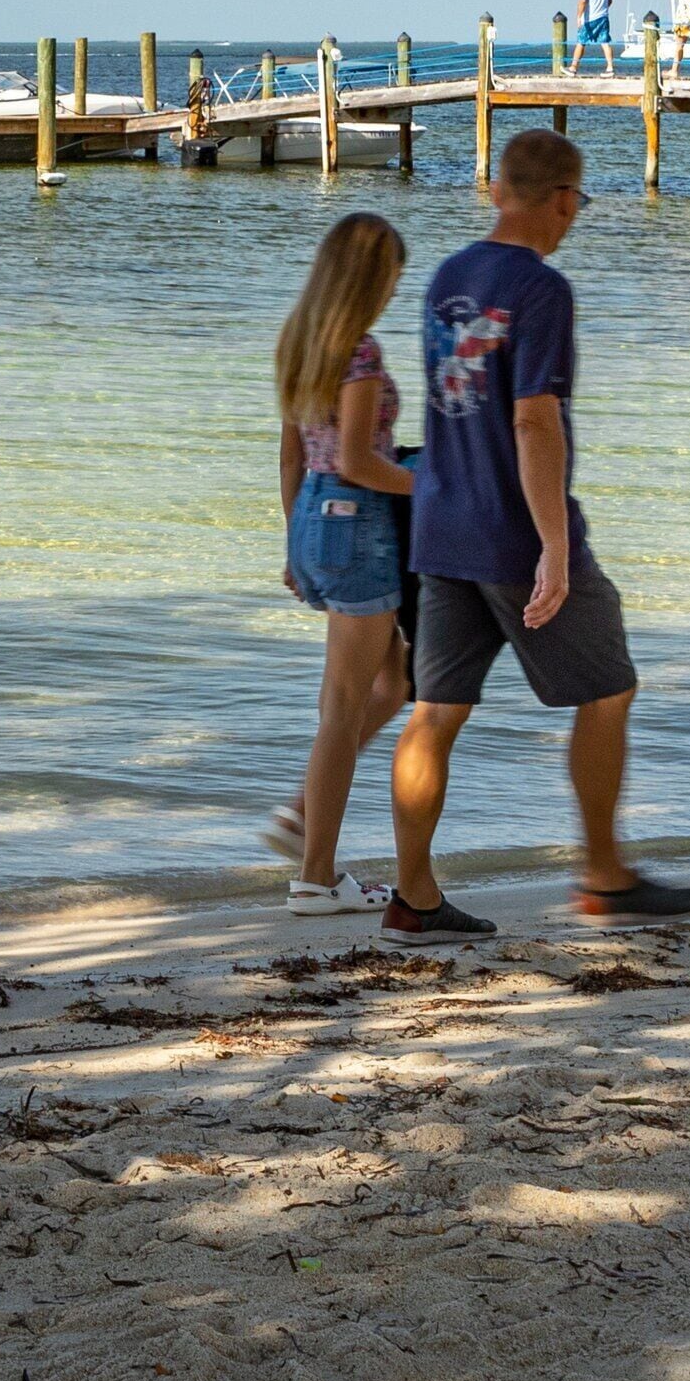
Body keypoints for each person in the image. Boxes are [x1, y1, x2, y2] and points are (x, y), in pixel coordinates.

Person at [384, 127, 690, 943]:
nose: (574, 217)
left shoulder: (447, 277)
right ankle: (605, 877)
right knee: (608, 691)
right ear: (563, 200)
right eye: (577, 203)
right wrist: (556, 547)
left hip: (437, 526)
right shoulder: (541, 289)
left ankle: (413, 898)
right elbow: (533, 421)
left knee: (434, 712)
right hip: (511, 532)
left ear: (498, 190)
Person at [263, 214, 418, 915]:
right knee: (344, 708)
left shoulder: (298, 342)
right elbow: (358, 462)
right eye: (391, 278)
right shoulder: (359, 354)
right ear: (368, 280)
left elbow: (296, 456)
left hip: (316, 520)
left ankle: (304, 818)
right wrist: (437, 485)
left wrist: (294, 540)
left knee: (395, 681)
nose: (393, 292)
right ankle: (315, 875)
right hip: (358, 526)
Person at [572, 0, 618, 75]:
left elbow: (582, 1)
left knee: (581, 42)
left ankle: (573, 67)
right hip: (603, 17)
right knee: (605, 42)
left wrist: (579, 17)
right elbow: (610, 0)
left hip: (589, 19)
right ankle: (610, 67)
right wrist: (603, 8)